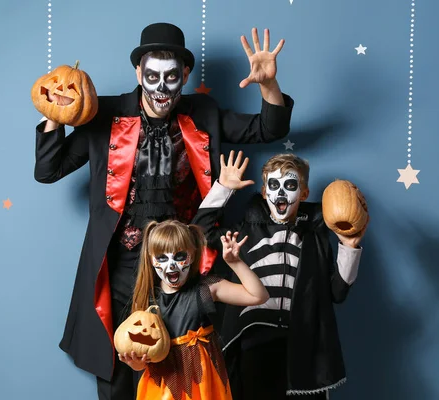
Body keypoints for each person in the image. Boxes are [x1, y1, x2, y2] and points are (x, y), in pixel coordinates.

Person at [33, 21, 294, 400]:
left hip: (182, 266)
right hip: (122, 267)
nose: (160, 87)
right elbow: (48, 171)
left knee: (183, 368)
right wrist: (55, 112)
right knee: (120, 362)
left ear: (185, 75)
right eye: (151, 75)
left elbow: (266, 130)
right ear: (138, 72)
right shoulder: (104, 115)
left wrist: (269, 83)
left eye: (171, 76)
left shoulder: (202, 113)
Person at [194, 153, 366, 399]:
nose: (281, 193)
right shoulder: (245, 231)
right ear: (264, 193)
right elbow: (198, 232)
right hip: (254, 339)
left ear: (304, 194)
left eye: (290, 185)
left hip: (303, 341)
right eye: (274, 185)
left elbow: (338, 292)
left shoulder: (316, 240)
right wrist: (223, 188)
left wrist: (349, 247)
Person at [117, 218, 269, 400]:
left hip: (202, 381)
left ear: (193, 254)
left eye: (179, 256)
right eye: (162, 258)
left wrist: (235, 262)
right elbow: (144, 358)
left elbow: (259, 296)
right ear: (151, 259)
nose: (171, 265)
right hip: (164, 385)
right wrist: (136, 363)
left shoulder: (206, 288)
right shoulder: (147, 298)